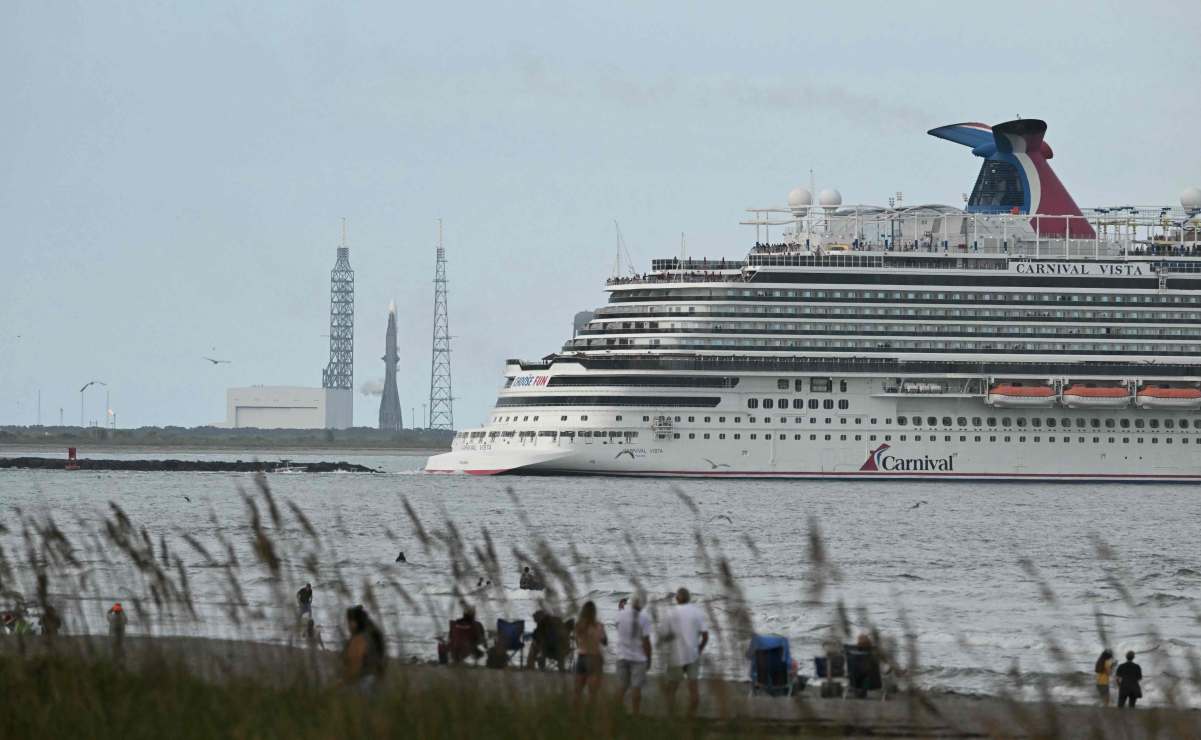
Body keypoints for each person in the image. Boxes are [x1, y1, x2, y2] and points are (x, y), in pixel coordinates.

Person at [662, 587, 708, 717]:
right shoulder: (697, 612)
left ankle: (671, 715)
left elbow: (664, 636)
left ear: (677, 598)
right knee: (693, 688)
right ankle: (690, 716)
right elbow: (705, 636)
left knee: (672, 688)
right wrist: (699, 649)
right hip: (693, 654)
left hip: (676, 655)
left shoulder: (671, 612)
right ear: (689, 598)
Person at [614, 595, 652, 715]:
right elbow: (646, 641)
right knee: (636, 687)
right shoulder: (644, 618)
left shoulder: (621, 615)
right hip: (638, 658)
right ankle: (635, 714)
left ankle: (617, 712)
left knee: (622, 687)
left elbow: (618, 624)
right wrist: (649, 659)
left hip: (622, 656)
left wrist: (620, 607)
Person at [343, 605, 386, 693]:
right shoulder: (372, 632)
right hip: (374, 677)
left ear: (355, 622)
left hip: (365, 680)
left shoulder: (361, 637)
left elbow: (355, 664)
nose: (348, 626)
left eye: (349, 622)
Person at [573, 601, 607, 707]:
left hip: (581, 658)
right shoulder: (599, 626)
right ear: (594, 612)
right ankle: (590, 713)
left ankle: (576, 712)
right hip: (594, 659)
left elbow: (577, 643)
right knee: (592, 693)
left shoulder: (578, 626)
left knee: (578, 691)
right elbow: (605, 642)